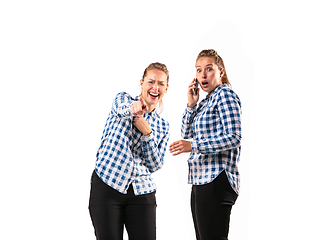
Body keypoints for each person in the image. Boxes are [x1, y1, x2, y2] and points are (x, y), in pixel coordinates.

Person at [88, 62, 170, 240]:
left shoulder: (163, 126)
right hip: (108, 185)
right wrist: (133, 109)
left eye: (161, 84)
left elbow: (155, 164)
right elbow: (121, 108)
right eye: (151, 82)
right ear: (142, 83)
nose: (155, 87)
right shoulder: (123, 99)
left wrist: (147, 132)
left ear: (166, 88)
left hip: (142, 191)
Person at [169, 49, 242, 240]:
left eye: (209, 69)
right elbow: (185, 136)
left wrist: (194, 145)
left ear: (221, 72)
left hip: (216, 179)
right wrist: (191, 105)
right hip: (201, 179)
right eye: (198, 70)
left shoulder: (225, 95)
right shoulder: (206, 102)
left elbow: (234, 137)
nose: (203, 74)